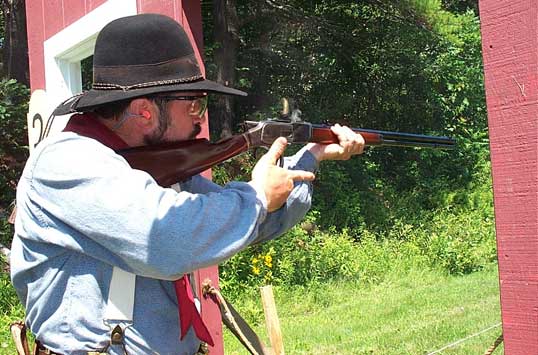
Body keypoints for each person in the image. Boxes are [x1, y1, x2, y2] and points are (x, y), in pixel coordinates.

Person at [10, 13, 364, 355]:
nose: (201, 116)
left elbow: (251, 223)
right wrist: (256, 195)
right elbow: (167, 237)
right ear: (145, 110)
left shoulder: (152, 163)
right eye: (193, 103)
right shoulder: (67, 162)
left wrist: (312, 157)